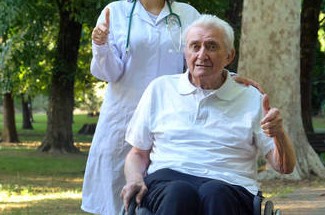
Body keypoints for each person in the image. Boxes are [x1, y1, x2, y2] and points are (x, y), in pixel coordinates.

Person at [82, 0, 260, 215]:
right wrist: (100, 45)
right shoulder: (114, 13)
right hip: (123, 117)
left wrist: (233, 77)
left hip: (172, 120)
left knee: (164, 193)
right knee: (118, 197)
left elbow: (201, 57)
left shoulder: (186, 14)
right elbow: (109, 72)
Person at [120, 15, 296, 215]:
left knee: (215, 193)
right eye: (195, 46)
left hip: (229, 183)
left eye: (212, 47)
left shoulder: (251, 98)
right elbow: (137, 153)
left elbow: (284, 167)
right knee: (180, 193)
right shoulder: (160, 89)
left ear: (229, 56)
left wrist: (278, 134)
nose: (202, 54)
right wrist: (135, 179)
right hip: (167, 181)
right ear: (185, 52)